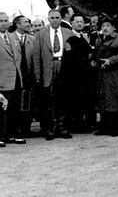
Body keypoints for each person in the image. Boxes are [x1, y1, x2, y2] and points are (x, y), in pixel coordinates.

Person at [33, 9, 74, 141]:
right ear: (48, 19)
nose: (55, 20)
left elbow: (74, 55)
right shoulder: (41, 34)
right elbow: (36, 56)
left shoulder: (68, 33)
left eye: (57, 17)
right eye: (52, 18)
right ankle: (50, 129)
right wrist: (38, 74)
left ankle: (62, 128)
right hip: (48, 69)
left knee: (63, 98)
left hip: (64, 67)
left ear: (61, 18)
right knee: (48, 100)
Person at [0, 12, 24, 147]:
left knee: (14, 109)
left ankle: (12, 135)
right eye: (1, 20)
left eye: (6, 20)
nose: (4, 23)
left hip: (15, 79)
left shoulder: (13, 37)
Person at [93, 16, 118, 137]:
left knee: (114, 98)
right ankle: (104, 127)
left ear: (114, 27)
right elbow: (96, 54)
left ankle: (117, 128)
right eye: (103, 26)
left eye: (108, 26)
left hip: (115, 73)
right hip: (101, 73)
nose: (105, 28)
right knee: (103, 98)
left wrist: (110, 60)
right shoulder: (98, 39)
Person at [10, 15, 36, 138]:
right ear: (17, 24)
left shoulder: (33, 39)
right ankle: (14, 129)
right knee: (15, 104)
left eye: (29, 22)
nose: (28, 24)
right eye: (25, 22)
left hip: (28, 77)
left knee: (28, 103)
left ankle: (26, 129)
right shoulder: (10, 38)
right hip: (14, 77)